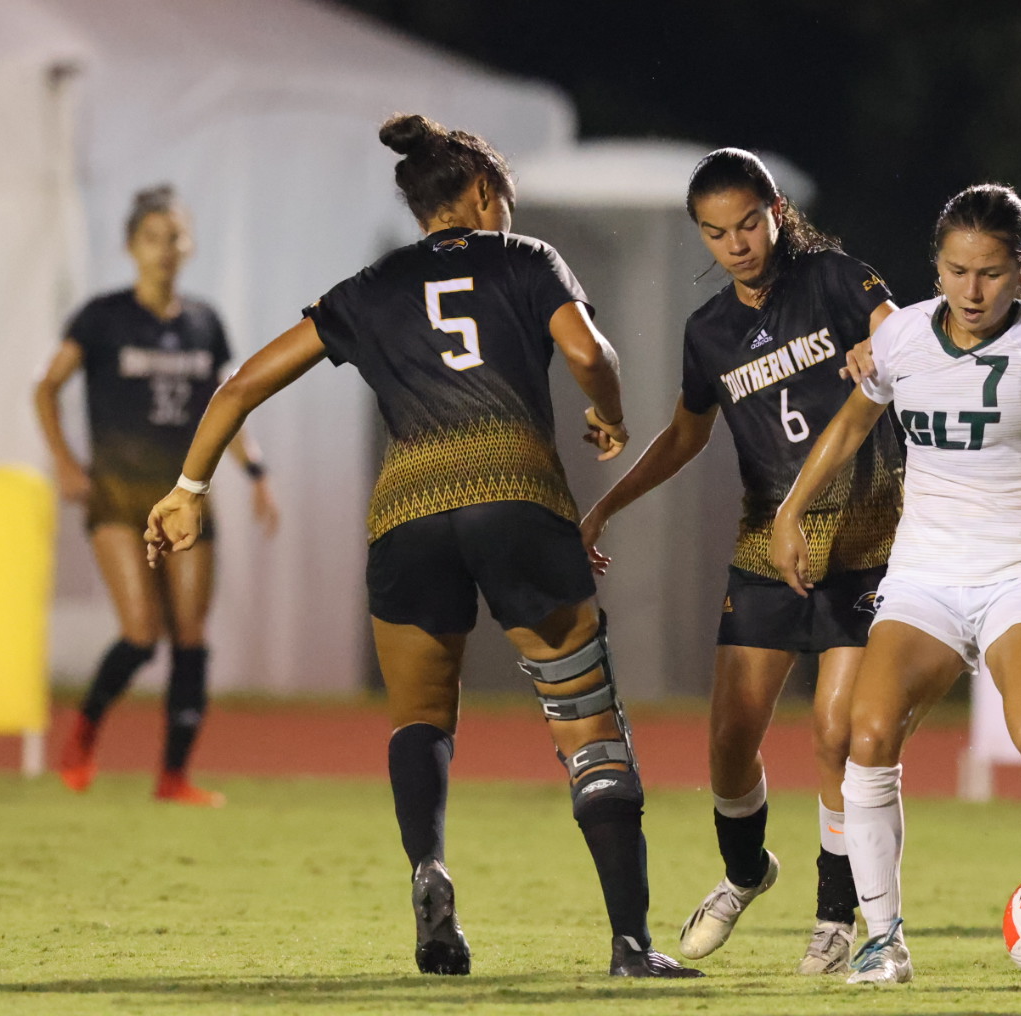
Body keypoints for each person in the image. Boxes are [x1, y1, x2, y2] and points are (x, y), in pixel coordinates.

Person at [145, 114, 700, 979]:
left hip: (408, 509)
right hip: (516, 495)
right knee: (586, 719)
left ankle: (430, 870)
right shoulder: (527, 259)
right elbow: (588, 352)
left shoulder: (372, 286)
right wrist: (613, 414)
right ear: (483, 193)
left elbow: (243, 381)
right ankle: (631, 942)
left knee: (420, 716)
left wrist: (187, 491)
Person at [771, 184, 1021, 985]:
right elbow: (850, 422)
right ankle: (883, 941)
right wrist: (791, 511)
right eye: (956, 270)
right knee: (864, 736)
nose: (971, 291)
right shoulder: (905, 335)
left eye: (989, 273)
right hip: (925, 574)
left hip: (1020, 570)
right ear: (937, 265)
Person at [579, 148, 903, 974]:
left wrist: (881, 349)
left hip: (866, 532)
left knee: (835, 731)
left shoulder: (832, 279)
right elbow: (688, 435)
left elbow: (894, 330)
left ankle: (836, 915)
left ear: (776, 214)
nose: (736, 244)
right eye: (716, 233)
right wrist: (607, 504)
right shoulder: (711, 331)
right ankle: (747, 871)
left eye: (748, 224)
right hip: (768, 538)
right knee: (728, 741)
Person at [35, 185, 279, 807]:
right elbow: (47, 389)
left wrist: (256, 474)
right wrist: (65, 461)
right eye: (154, 237)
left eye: (176, 236)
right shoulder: (101, 317)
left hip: (183, 498)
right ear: (131, 246)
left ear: (189, 245)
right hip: (118, 495)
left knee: (191, 638)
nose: (166, 249)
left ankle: (172, 777)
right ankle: (85, 730)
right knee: (141, 633)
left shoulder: (203, 321)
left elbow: (229, 403)